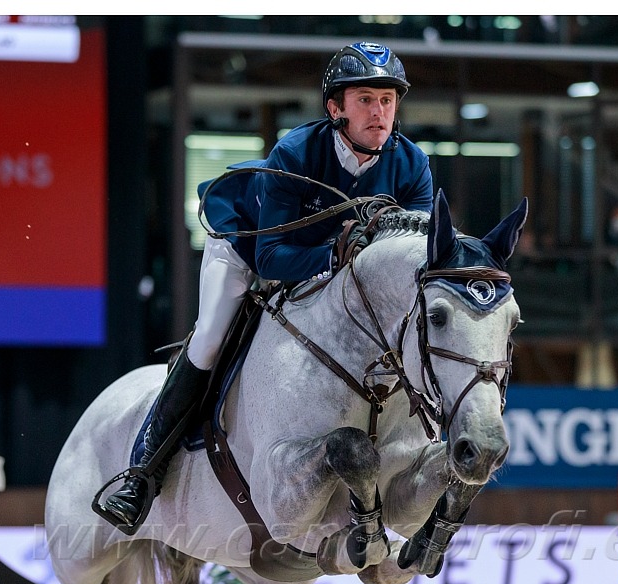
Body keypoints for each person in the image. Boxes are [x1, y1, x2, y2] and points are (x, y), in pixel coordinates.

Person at [99, 41, 434, 532]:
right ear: (335, 107)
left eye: (387, 101)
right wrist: (335, 256)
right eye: (365, 99)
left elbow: (411, 258)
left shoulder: (412, 164)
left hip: (334, 270)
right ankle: (140, 475)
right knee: (211, 338)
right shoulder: (296, 152)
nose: (379, 112)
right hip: (249, 245)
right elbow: (272, 260)